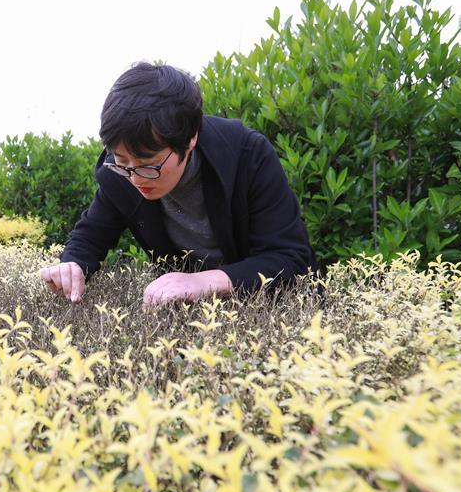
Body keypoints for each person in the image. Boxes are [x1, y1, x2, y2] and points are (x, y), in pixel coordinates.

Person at [39, 61, 317, 308]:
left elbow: (290, 259)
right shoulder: (120, 172)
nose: (135, 178)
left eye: (149, 164)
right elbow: (90, 235)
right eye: (123, 161)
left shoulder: (247, 155)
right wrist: (72, 265)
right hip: (189, 315)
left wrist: (200, 283)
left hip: (270, 311)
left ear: (190, 138)